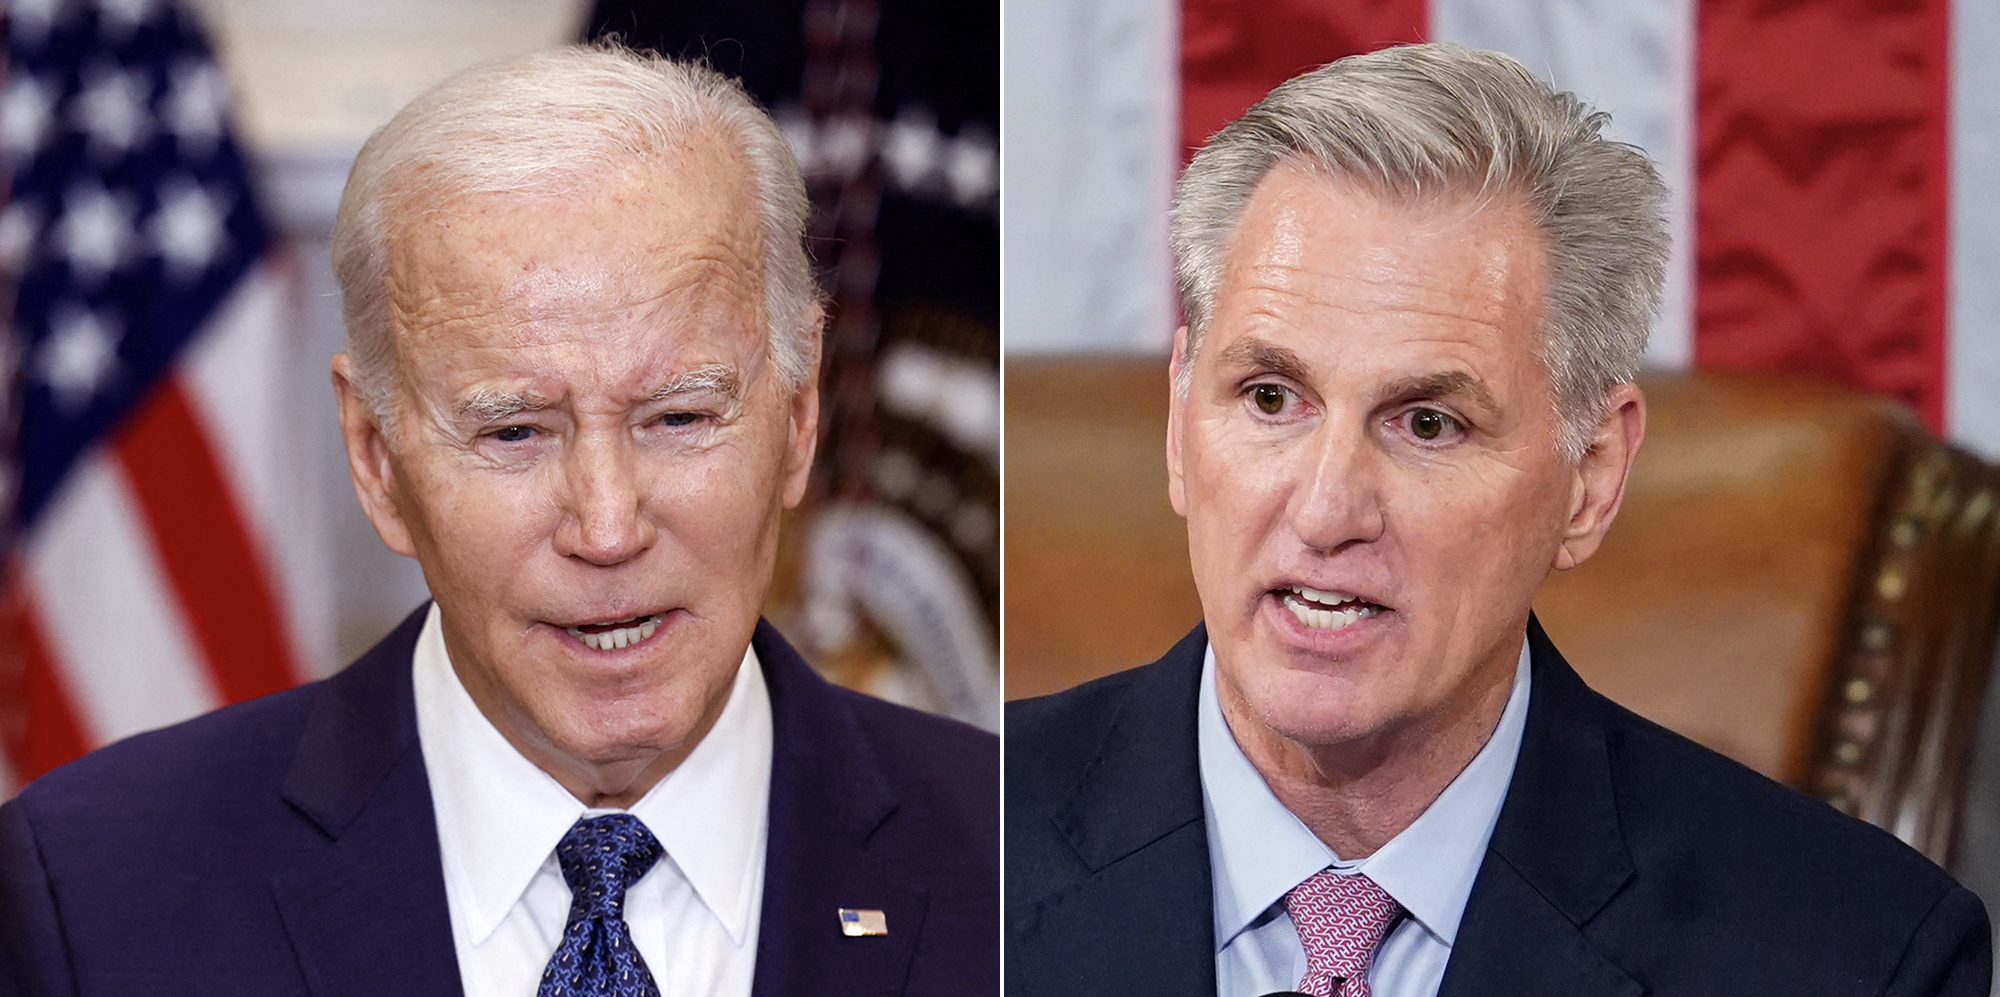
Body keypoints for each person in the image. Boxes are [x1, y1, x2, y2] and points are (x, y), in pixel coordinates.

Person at [0, 45, 996, 997]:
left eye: (679, 418)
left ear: (799, 414)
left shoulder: (1012, 860)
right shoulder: (90, 901)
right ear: (377, 457)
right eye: (515, 431)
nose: (606, 528)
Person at [1005, 43, 1989, 997]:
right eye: (1269, 398)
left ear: (1590, 478)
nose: (1323, 507)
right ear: (1180, 423)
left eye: (1426, 423)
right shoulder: (955, 839)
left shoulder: (1854, 956)